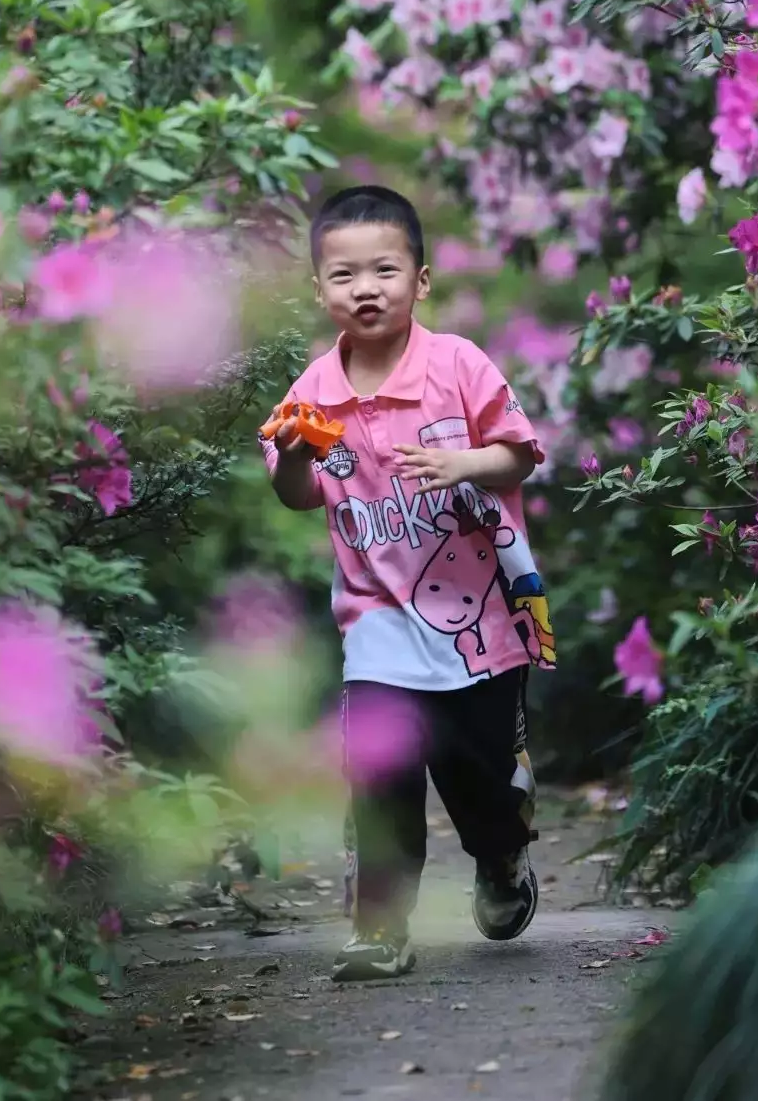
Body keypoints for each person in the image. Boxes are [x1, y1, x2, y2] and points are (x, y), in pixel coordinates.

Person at [258, 185, 556, 982]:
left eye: (385, 268)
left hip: (480, 625)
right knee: (379, 772)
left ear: (420, 280)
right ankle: (380, 927)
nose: (366, 287)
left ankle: (502, 857)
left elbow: (521, 452)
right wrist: (293, 453)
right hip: (378, 621)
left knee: (478, 780)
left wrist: (465, 460)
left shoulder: (458, 364)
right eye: (345, 273)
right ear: (320, 289)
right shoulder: (312, 393)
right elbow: (296, 494)